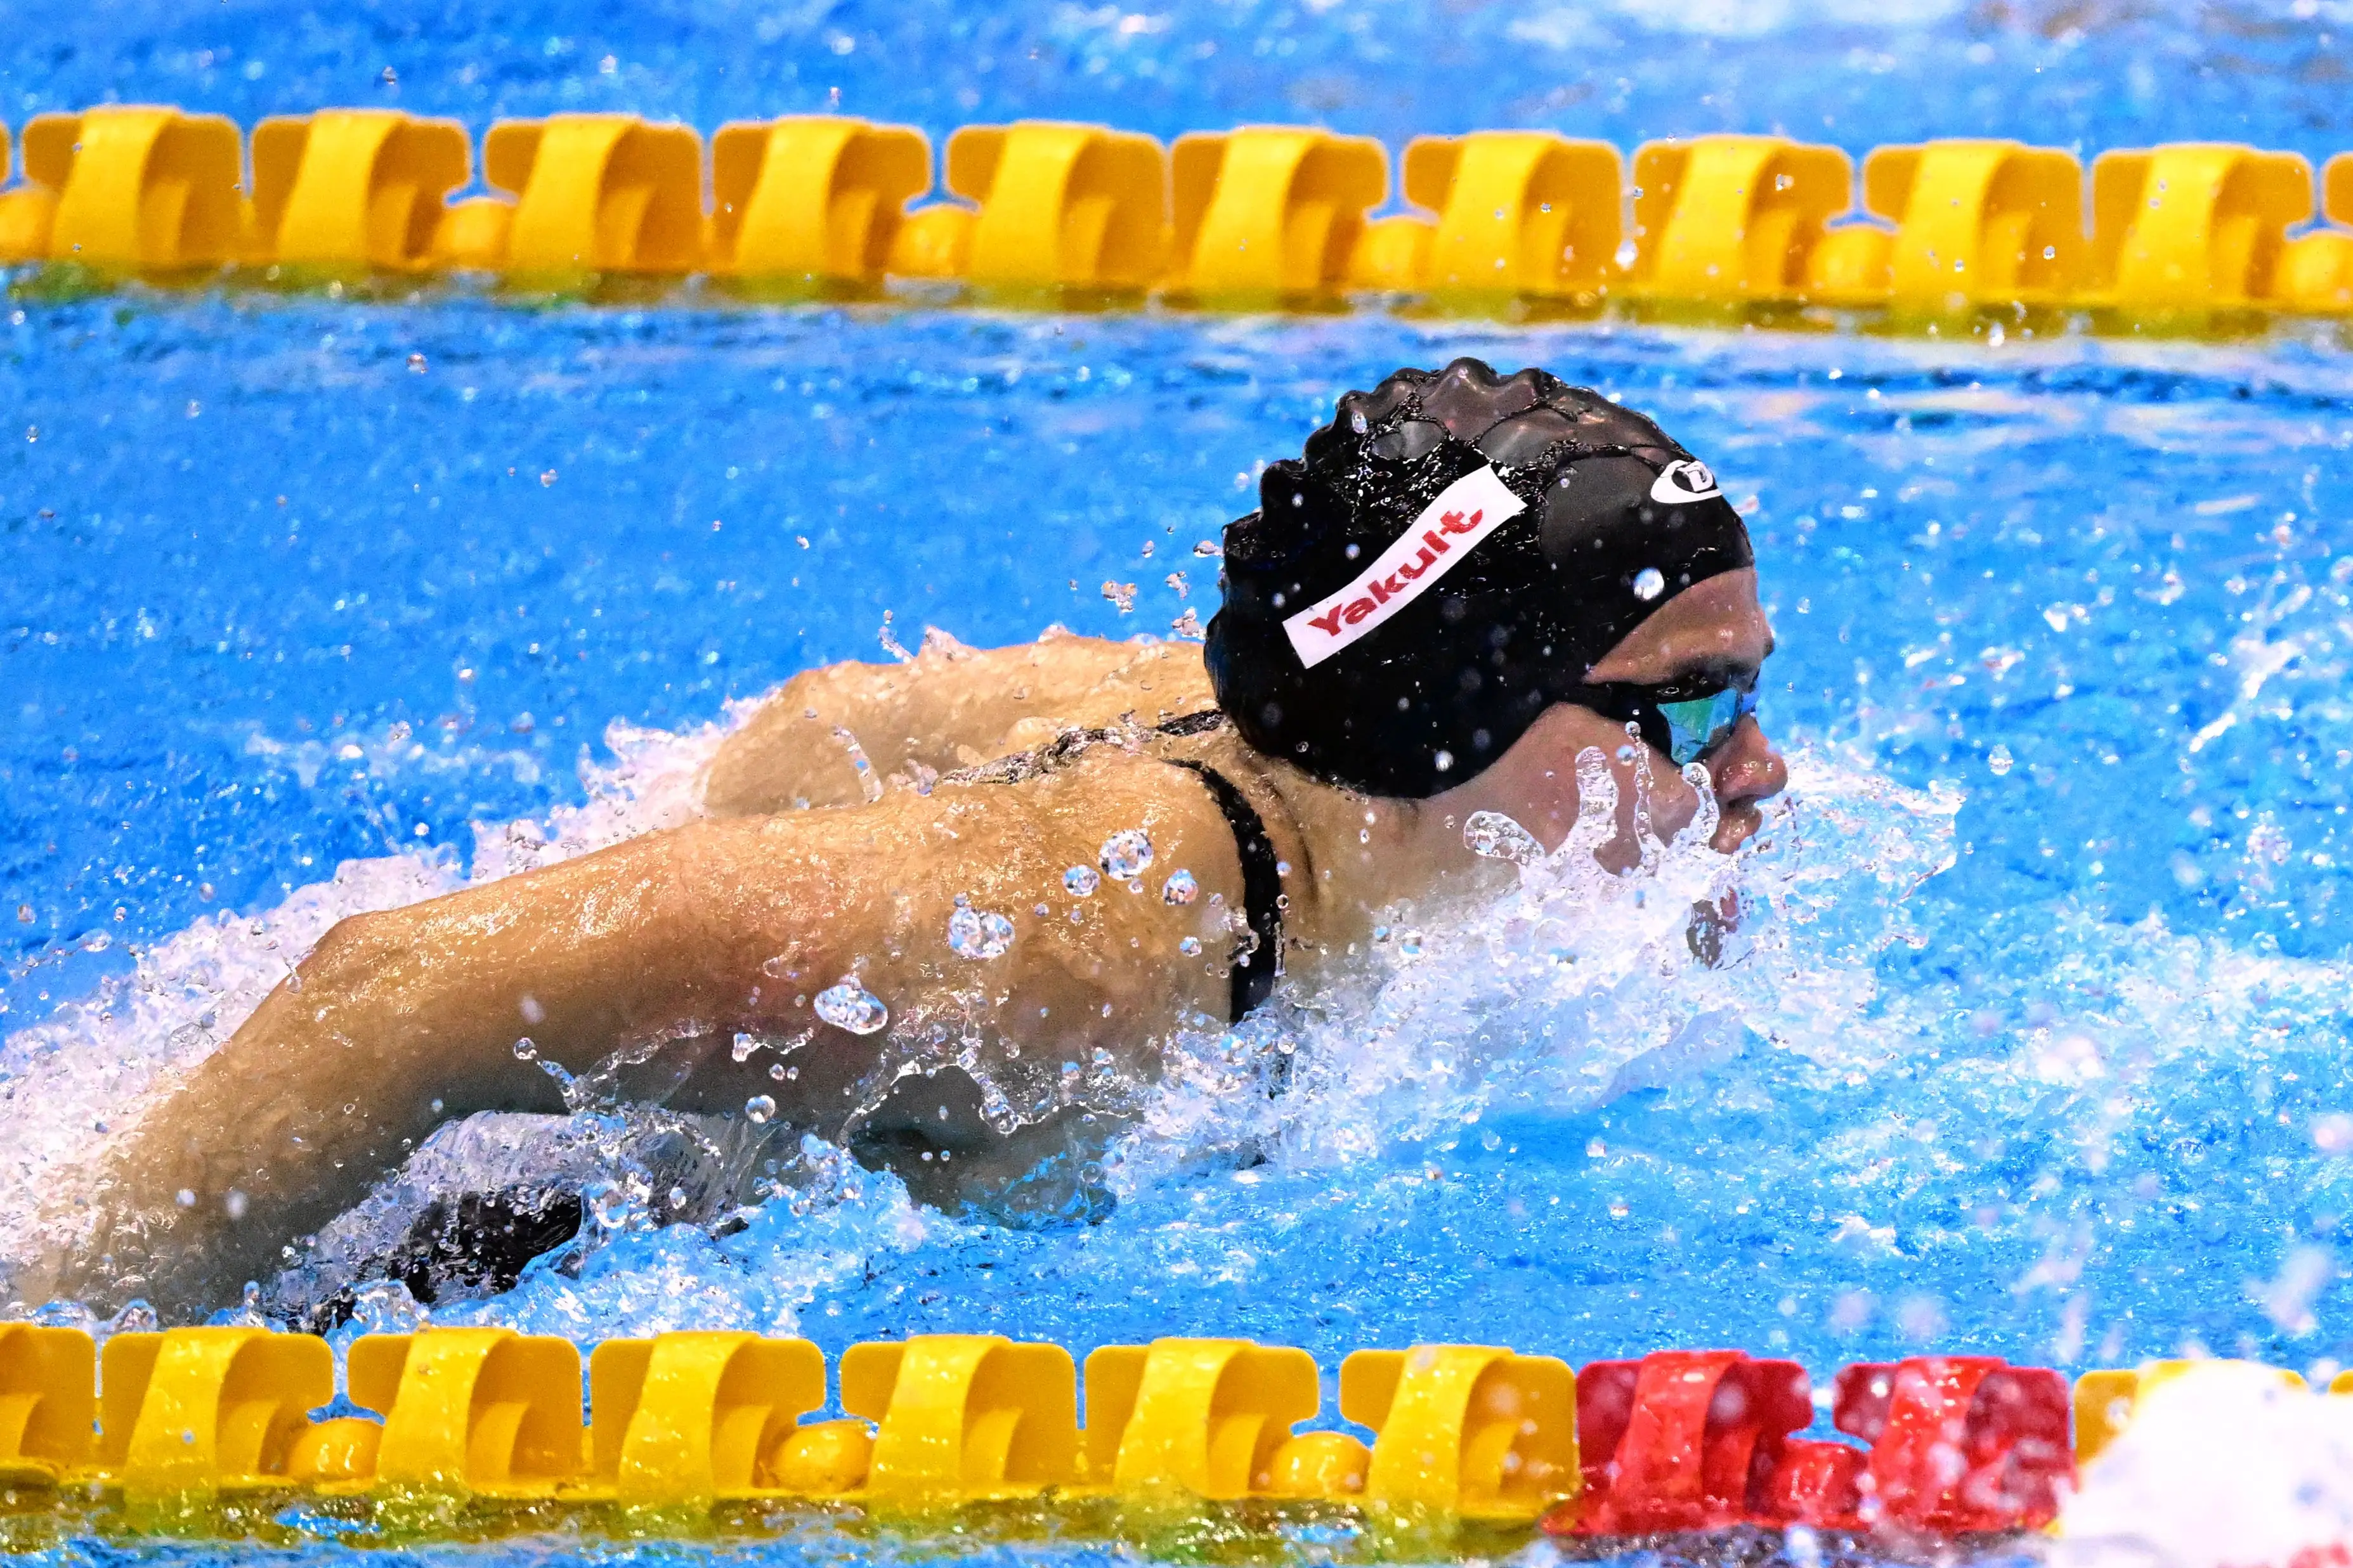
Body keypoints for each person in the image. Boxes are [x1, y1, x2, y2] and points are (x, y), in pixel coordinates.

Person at [35, 358, 1787, 1319]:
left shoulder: (1330, 764)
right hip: (456, 1241)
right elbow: (398, 983)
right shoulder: (1083, 950)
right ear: (1448, 722)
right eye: (1696, 709)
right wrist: (76, 1329)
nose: (1763, 772)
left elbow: (812, 730)